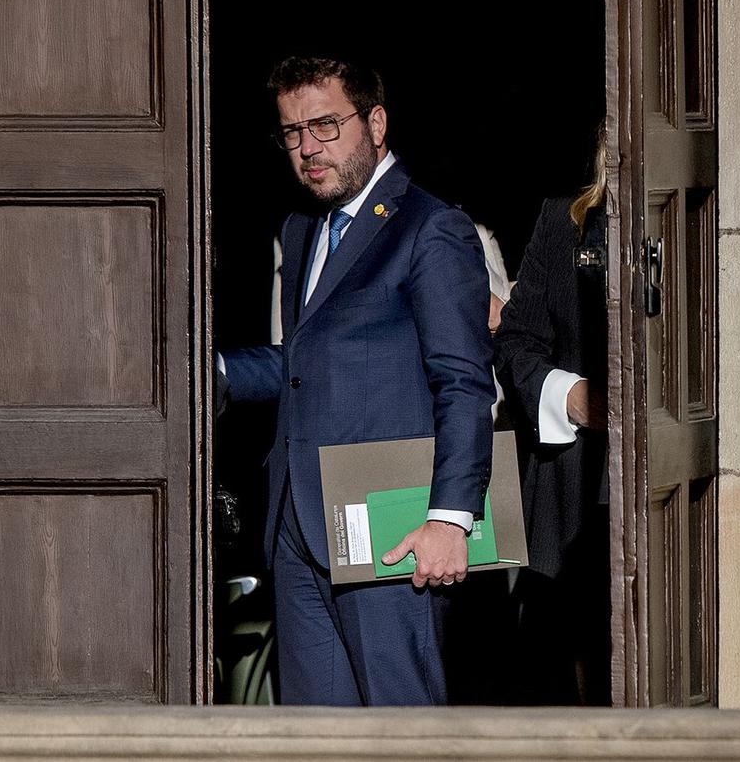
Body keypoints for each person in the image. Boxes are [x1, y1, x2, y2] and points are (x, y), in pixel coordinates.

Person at [215, 55, 495, 706]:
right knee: (315, 741)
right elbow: (307, 364)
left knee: (404, 734)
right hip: (299, 527)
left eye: (324, 125)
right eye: (292, 132)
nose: (308, 148)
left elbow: (464, 382)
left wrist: (449, 518)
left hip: (395, 527)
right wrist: (221, 373)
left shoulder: (430, 229)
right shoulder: (302, 227)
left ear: (376, 122)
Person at [492, 141, 611, 705]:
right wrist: (569, 396)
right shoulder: (563, 223)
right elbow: (516, 341)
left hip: (677, 499)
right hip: (573, 487)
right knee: (573, 680)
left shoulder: (702, 221)